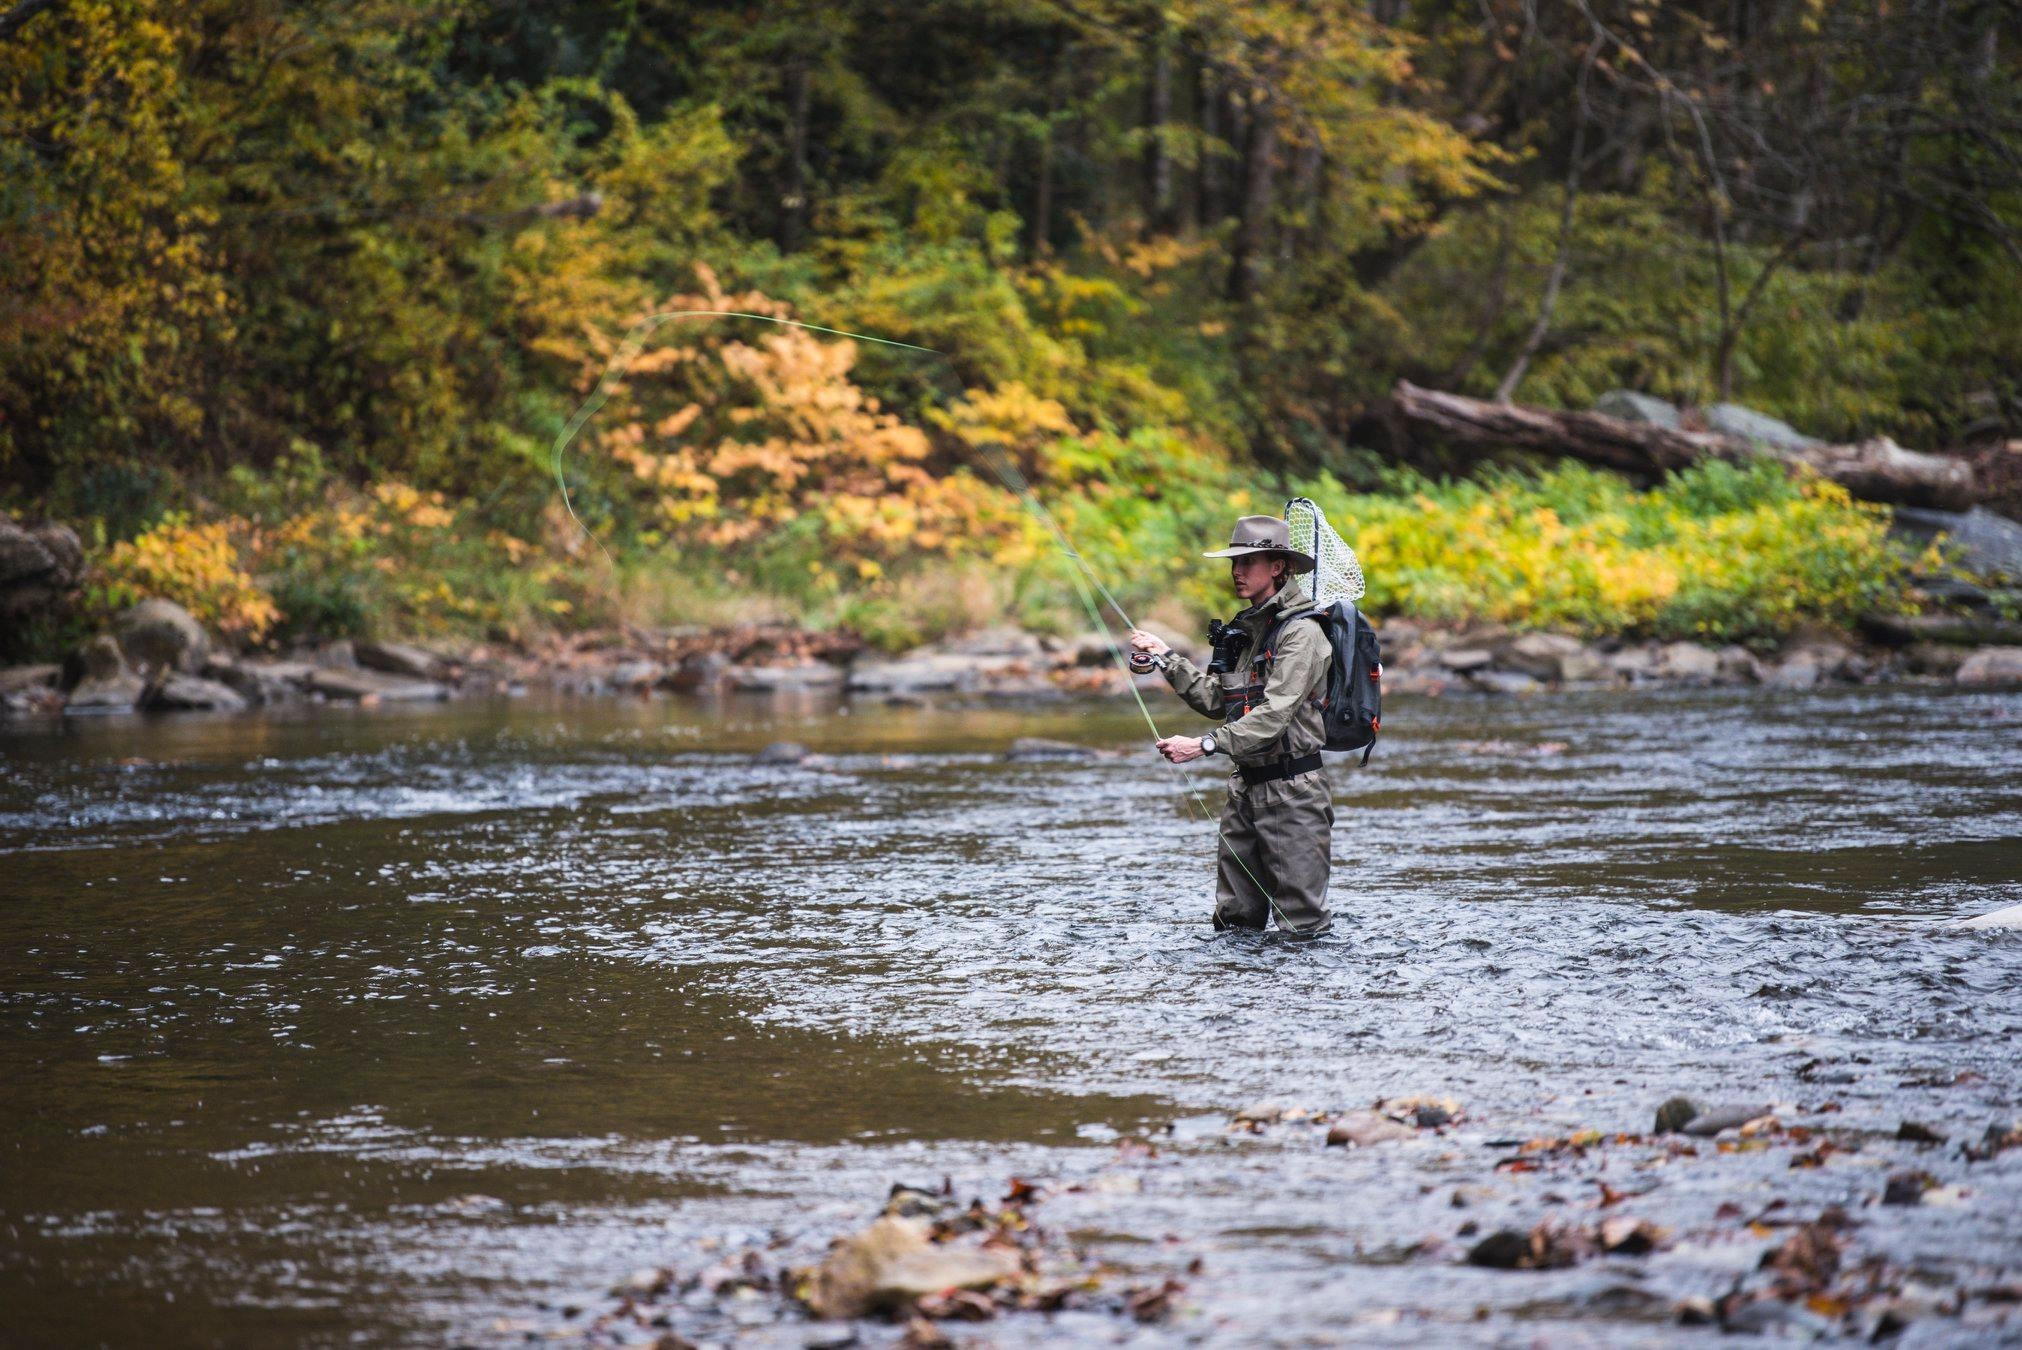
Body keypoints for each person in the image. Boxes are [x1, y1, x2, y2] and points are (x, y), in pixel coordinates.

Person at [1128, 515, 1334, 935]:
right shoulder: (1250, 628)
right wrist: (1166, 658)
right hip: (1245, 790)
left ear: (1277, 567)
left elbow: (1274, 717)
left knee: (1301, 928)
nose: (1237, 572)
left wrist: (1202, 746)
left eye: (1248, 562)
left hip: (1294, 794)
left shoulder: (1303, 634)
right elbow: (1217, 700)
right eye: (1233, 562)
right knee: (1235, 923)